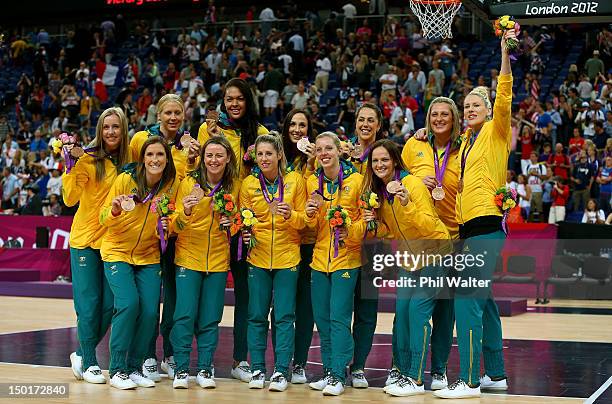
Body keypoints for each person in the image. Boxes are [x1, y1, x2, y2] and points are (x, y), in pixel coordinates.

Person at [434, 28, 515, 399]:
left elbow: (505, 98)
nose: (469, 109)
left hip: (485, 225)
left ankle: (468, 380)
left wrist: (503, 54)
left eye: (475, 105)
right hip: (468, 229)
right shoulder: (467, 141)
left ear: (489, 109)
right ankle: (494, 374)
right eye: (465, 105)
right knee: (485, 304)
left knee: (467, 298)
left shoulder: (497, 131)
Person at [362, 139, 452, 396]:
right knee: (401, 314)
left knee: (417, 312)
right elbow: (392, 231)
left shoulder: (411, 184)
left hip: (436, 254)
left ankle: (415, 377)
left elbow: (429, 226)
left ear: (395, 161)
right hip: (408, 260)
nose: (380, 164)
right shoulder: (380, 193)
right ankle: (401, 372)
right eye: (375, 161)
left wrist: (407, 203)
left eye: (385, 160)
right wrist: (374, 224)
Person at [197, 78, 269, 382]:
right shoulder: (208, 130)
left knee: (245, 295)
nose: (234, 104)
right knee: (197, 294)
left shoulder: (261, 133)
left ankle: (240, 360)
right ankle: (188, 360)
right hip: (210, 222)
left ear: (248, 101)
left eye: (239, 99)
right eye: (229, 99)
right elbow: (198, 169)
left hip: (244, 224)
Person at [100, 136, 178, 390]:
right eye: (150, 155)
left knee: (149, 312)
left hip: (148, 255)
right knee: (128, 304)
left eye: (160, 155)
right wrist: (113, 210)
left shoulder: (169, 186)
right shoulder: (125, 180)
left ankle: (134, 367)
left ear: (167, 160)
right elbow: (103, 217)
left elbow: (166, 222)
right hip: (117, 251)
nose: (155, 160)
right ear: (142, 159)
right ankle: (117, 369)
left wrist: (166, 228)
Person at [132, 94, 200, 382]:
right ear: (158, 114)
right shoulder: (140, 140)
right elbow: (132, 175)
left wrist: (193, 159)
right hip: (148, 230)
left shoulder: (189, 145)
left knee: (173, 298)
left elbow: (190, 183)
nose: (173, 117)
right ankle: (147, 354)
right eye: (168, 112)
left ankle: (170, 355)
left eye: (178, 113)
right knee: (149, 299)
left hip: (174, 230)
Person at [63, 107, 130, 384]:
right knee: (88, 305)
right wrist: (69, 167)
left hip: (114, 241)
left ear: (123, 130)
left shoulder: (129, 160)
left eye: (116, 127)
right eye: (106, 127)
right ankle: (90, 361)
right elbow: (69, 199)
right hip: (86, 241)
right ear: (99, 131)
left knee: (110, 304)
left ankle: (81, 352)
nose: (111, 132)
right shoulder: (88, 160)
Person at [400, 96, 461, 390]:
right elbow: (399, 178)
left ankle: (439, 371)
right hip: (419, 240)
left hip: (452, 237)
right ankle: (411, 370)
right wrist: (414, 180)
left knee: (445, 311)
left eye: (444, 115)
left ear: (454, 119)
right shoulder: (414, 145)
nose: (438, 119)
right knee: (417, 308)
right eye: (434, 114)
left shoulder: (463, 149)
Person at [169, 137, 239, 389]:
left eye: (219, 155)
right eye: (209, 155)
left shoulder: (234, 186)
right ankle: (180, 367)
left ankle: (205, 368)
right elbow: (173, 225)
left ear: (228, 158)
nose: (214, 160)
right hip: (188, 257)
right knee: (184, 315)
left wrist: (233, 224)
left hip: (218, 261)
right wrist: (185, 212)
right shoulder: (188, 183)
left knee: (210, 318)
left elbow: (241, 220)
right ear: (202, 158)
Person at [239, 134, 307, 391]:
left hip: (287, 256)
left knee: (284, 316)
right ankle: (257, 368)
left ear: (279, 155)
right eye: (260, 154)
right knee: (256, 316)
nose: (264, 158)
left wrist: (292, 215)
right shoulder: (248, 184)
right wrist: (248, 228)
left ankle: (280, 371)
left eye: (269, 153)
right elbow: (243, 219)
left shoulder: (295, 181)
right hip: (257, 257)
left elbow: (305, 222)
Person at [304, 132, 365, 396]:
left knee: (339, 318)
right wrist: (308, 216)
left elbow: (368, 221)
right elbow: (309, 227)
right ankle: (330, 371)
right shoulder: (311, 183)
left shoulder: (357, 181)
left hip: (347, 259)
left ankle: (339, 374)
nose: (324, 153)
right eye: (319, 149)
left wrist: (349, 228)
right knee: (323, 319)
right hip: (319, 260)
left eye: (329, 148)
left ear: (340, 151)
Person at [274, 109, 317, 384]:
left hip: (310, 243)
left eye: (302, 125)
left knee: (305, 307)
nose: (297, 129)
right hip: (281, 241)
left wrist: (314, 165)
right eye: (293, 124)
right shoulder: (273, 156)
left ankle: (299, 363)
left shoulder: (315, 158)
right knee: (279, 308)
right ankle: (279, 361)